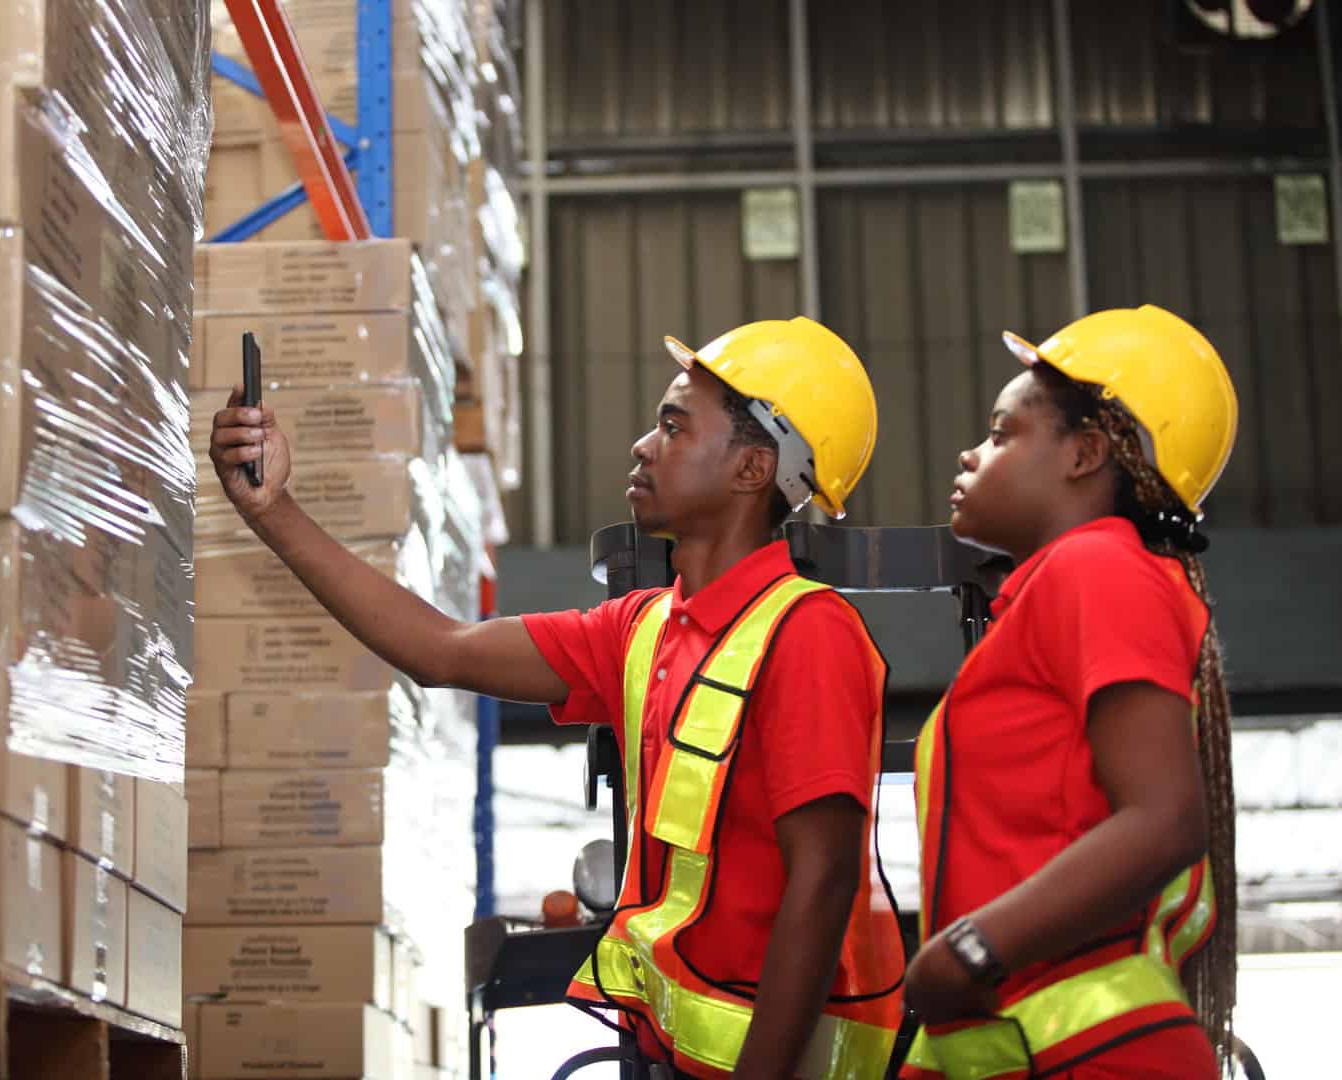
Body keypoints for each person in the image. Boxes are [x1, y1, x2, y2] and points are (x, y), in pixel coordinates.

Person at [208, 318, 905, 1080]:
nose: (643, 445)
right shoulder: (643, 629)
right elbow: (439, 650)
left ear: (751, 467)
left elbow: (826, 878)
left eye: (674, 427)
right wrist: (271, 509)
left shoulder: (808, 633)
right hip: (679, 1055)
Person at [900, 305, 1239, 1079]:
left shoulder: (1099, 569)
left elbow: (1164, 821)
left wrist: (969, 950)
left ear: (1086, 453)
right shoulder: (1056, 591)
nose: (969, 453)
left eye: (1000, 433)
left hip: (1097, 1053)